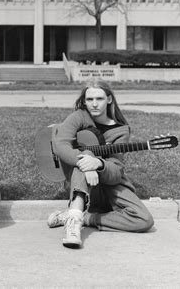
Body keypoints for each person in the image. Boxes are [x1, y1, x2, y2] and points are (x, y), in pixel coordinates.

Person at [48, 79, 154, 248]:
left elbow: (116, 171)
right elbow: (60, 144)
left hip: (109, 182)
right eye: (89, 100)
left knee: (144, 220)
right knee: (86, 156)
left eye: (100, 99)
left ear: (109, 99)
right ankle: (73, 221)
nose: (94, 104)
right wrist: (86, 161)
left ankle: (85, 217)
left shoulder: (120, 131)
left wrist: (97, 163)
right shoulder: (79, 116)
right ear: (84, 101)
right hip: (82, 181)